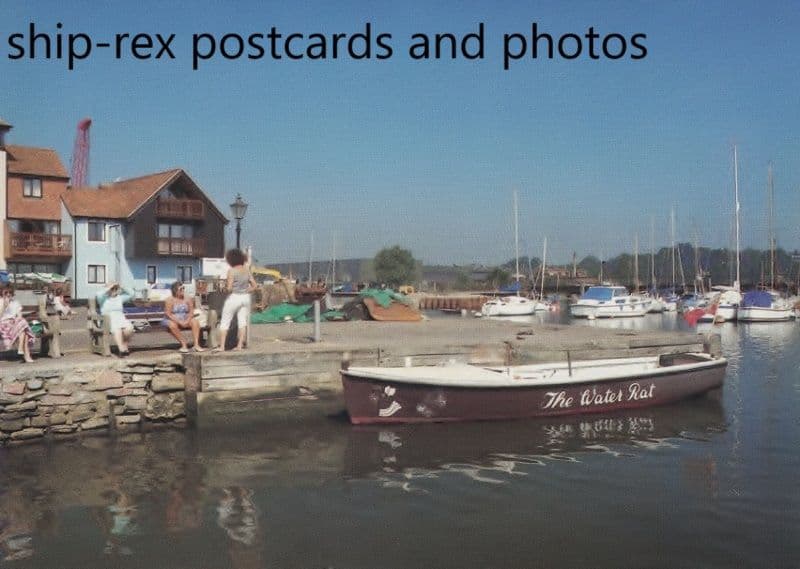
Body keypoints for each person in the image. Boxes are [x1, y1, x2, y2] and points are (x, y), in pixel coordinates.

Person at [216, 249, 256, 352]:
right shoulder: (247, 270)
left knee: (225, 322)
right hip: (245, 297)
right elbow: (254, 285)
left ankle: (222, 346)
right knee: (242, 322)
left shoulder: (231, 271)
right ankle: (239, 346)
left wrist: (224, 288)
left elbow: (229, 288)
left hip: (234, 297)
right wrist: (247, 290)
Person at [163, 281, 204, 353]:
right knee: (172, 325)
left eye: (183, 288)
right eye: (181, 289)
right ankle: (184, 344)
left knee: (195, 322)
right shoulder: (169, 300)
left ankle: (196, 345)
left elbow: (191, 311)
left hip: (185, 317)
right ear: (175, 290)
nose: (183, 290)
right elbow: (168, 314)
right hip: (172, 318)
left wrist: (187, 320)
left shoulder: (188, 298)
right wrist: (180, 322)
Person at [96, 283, 134, 357]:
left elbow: (132, 294)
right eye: (112, 289)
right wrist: (110, 286)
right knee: (117, 329)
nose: (114, 290)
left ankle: (124, 345)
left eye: (115, 289)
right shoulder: (103, 298)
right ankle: (121, 350)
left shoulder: (120, 298)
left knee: (130, 328)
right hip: (108, 319)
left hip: (120, 318)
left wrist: (122, 286)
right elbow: (98, 294)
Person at [0, 286, 34, 363]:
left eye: (10, 293)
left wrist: (16, 320)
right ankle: (25, 354)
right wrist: (4, 306)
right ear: (2, 293)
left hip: (14, 324)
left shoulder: (16, 302)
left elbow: (19, 315)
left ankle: (21, 349)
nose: (8, 294)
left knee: (22, 323)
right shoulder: (0, 301)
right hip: (3, 324)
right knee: (24, 331)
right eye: (6, 293)